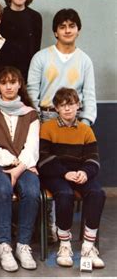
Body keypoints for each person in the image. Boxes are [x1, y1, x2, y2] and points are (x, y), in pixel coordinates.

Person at [0, 66, 40, 272]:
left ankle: (23, 245)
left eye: (13, 82)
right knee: (3, 190)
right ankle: (4, 245)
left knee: (32, 191)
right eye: (4, 82)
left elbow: (32, 147)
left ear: (19, 84)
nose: (9, 86)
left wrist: (18, 167)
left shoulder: (31, 114)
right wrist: (12, 161)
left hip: (24, 165)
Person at [38, 87, 105, 269]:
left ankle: (88, 247)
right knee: (65, 194)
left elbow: (93, 159)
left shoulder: (86, 130)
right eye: (63, 105)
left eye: (71, 105)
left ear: (78, 106)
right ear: (56, 108)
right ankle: (65, 244)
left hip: (78, 174)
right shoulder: (47, 128)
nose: (67, 109)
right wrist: (64, 173)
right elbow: (43, 159)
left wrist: (85, 172)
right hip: (56, 174)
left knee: (97, 193)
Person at [27, 8, 96, 125]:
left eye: (72, 26)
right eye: (62, 27)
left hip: (76, 118)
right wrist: (36, 121)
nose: (67, 31)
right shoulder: (40, 57)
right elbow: (31, 93)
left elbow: (89, 95)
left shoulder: (85, 61)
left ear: (78, 30)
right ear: (55, 32)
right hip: (46, 116)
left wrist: (85, 123)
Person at [0, 0, 42, 78]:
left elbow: (36, 49)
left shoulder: (35, 17)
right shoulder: (1, 15)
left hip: (28, 71)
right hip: (4, 72)